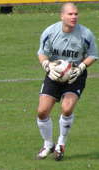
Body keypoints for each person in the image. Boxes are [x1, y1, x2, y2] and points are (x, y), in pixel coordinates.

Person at [35, 2, 98, 161]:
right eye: (70, 14)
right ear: (62, 16)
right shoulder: (50, 32)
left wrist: (82, 66)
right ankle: (48, 144)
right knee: (42, 111)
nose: (74, 17)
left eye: (76, 14)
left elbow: (92, 55)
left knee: (67, 108)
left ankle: (60, 144)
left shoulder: (86, 34)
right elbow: (42, 53)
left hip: (75, 75)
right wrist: (46, 65)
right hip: (54, 74)